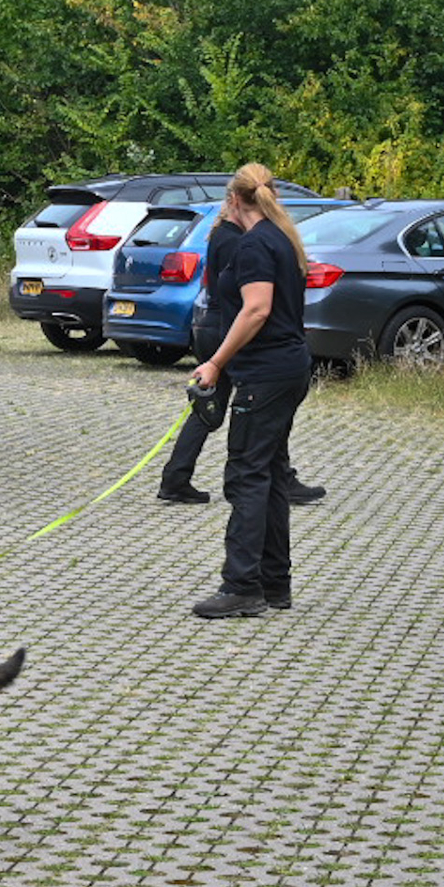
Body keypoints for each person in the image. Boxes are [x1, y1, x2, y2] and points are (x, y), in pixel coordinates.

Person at [189, 164, 312, 618]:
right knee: (272, 471)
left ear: (235, 200)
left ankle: (242, 585)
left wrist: (216, 363)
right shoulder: (282, 237)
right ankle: (274, 582)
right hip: (286, 366)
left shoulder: (257, 245)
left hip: (266, 373)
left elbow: (256, 310)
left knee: (246, 476)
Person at [158, 209, 325, 506]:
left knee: (212, 407)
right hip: (228, 330)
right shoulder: (243, 243)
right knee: (252, 409)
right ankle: (279, 478)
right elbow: (250, 299)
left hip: (214, 324)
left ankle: (176, 476)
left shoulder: (224, 234)